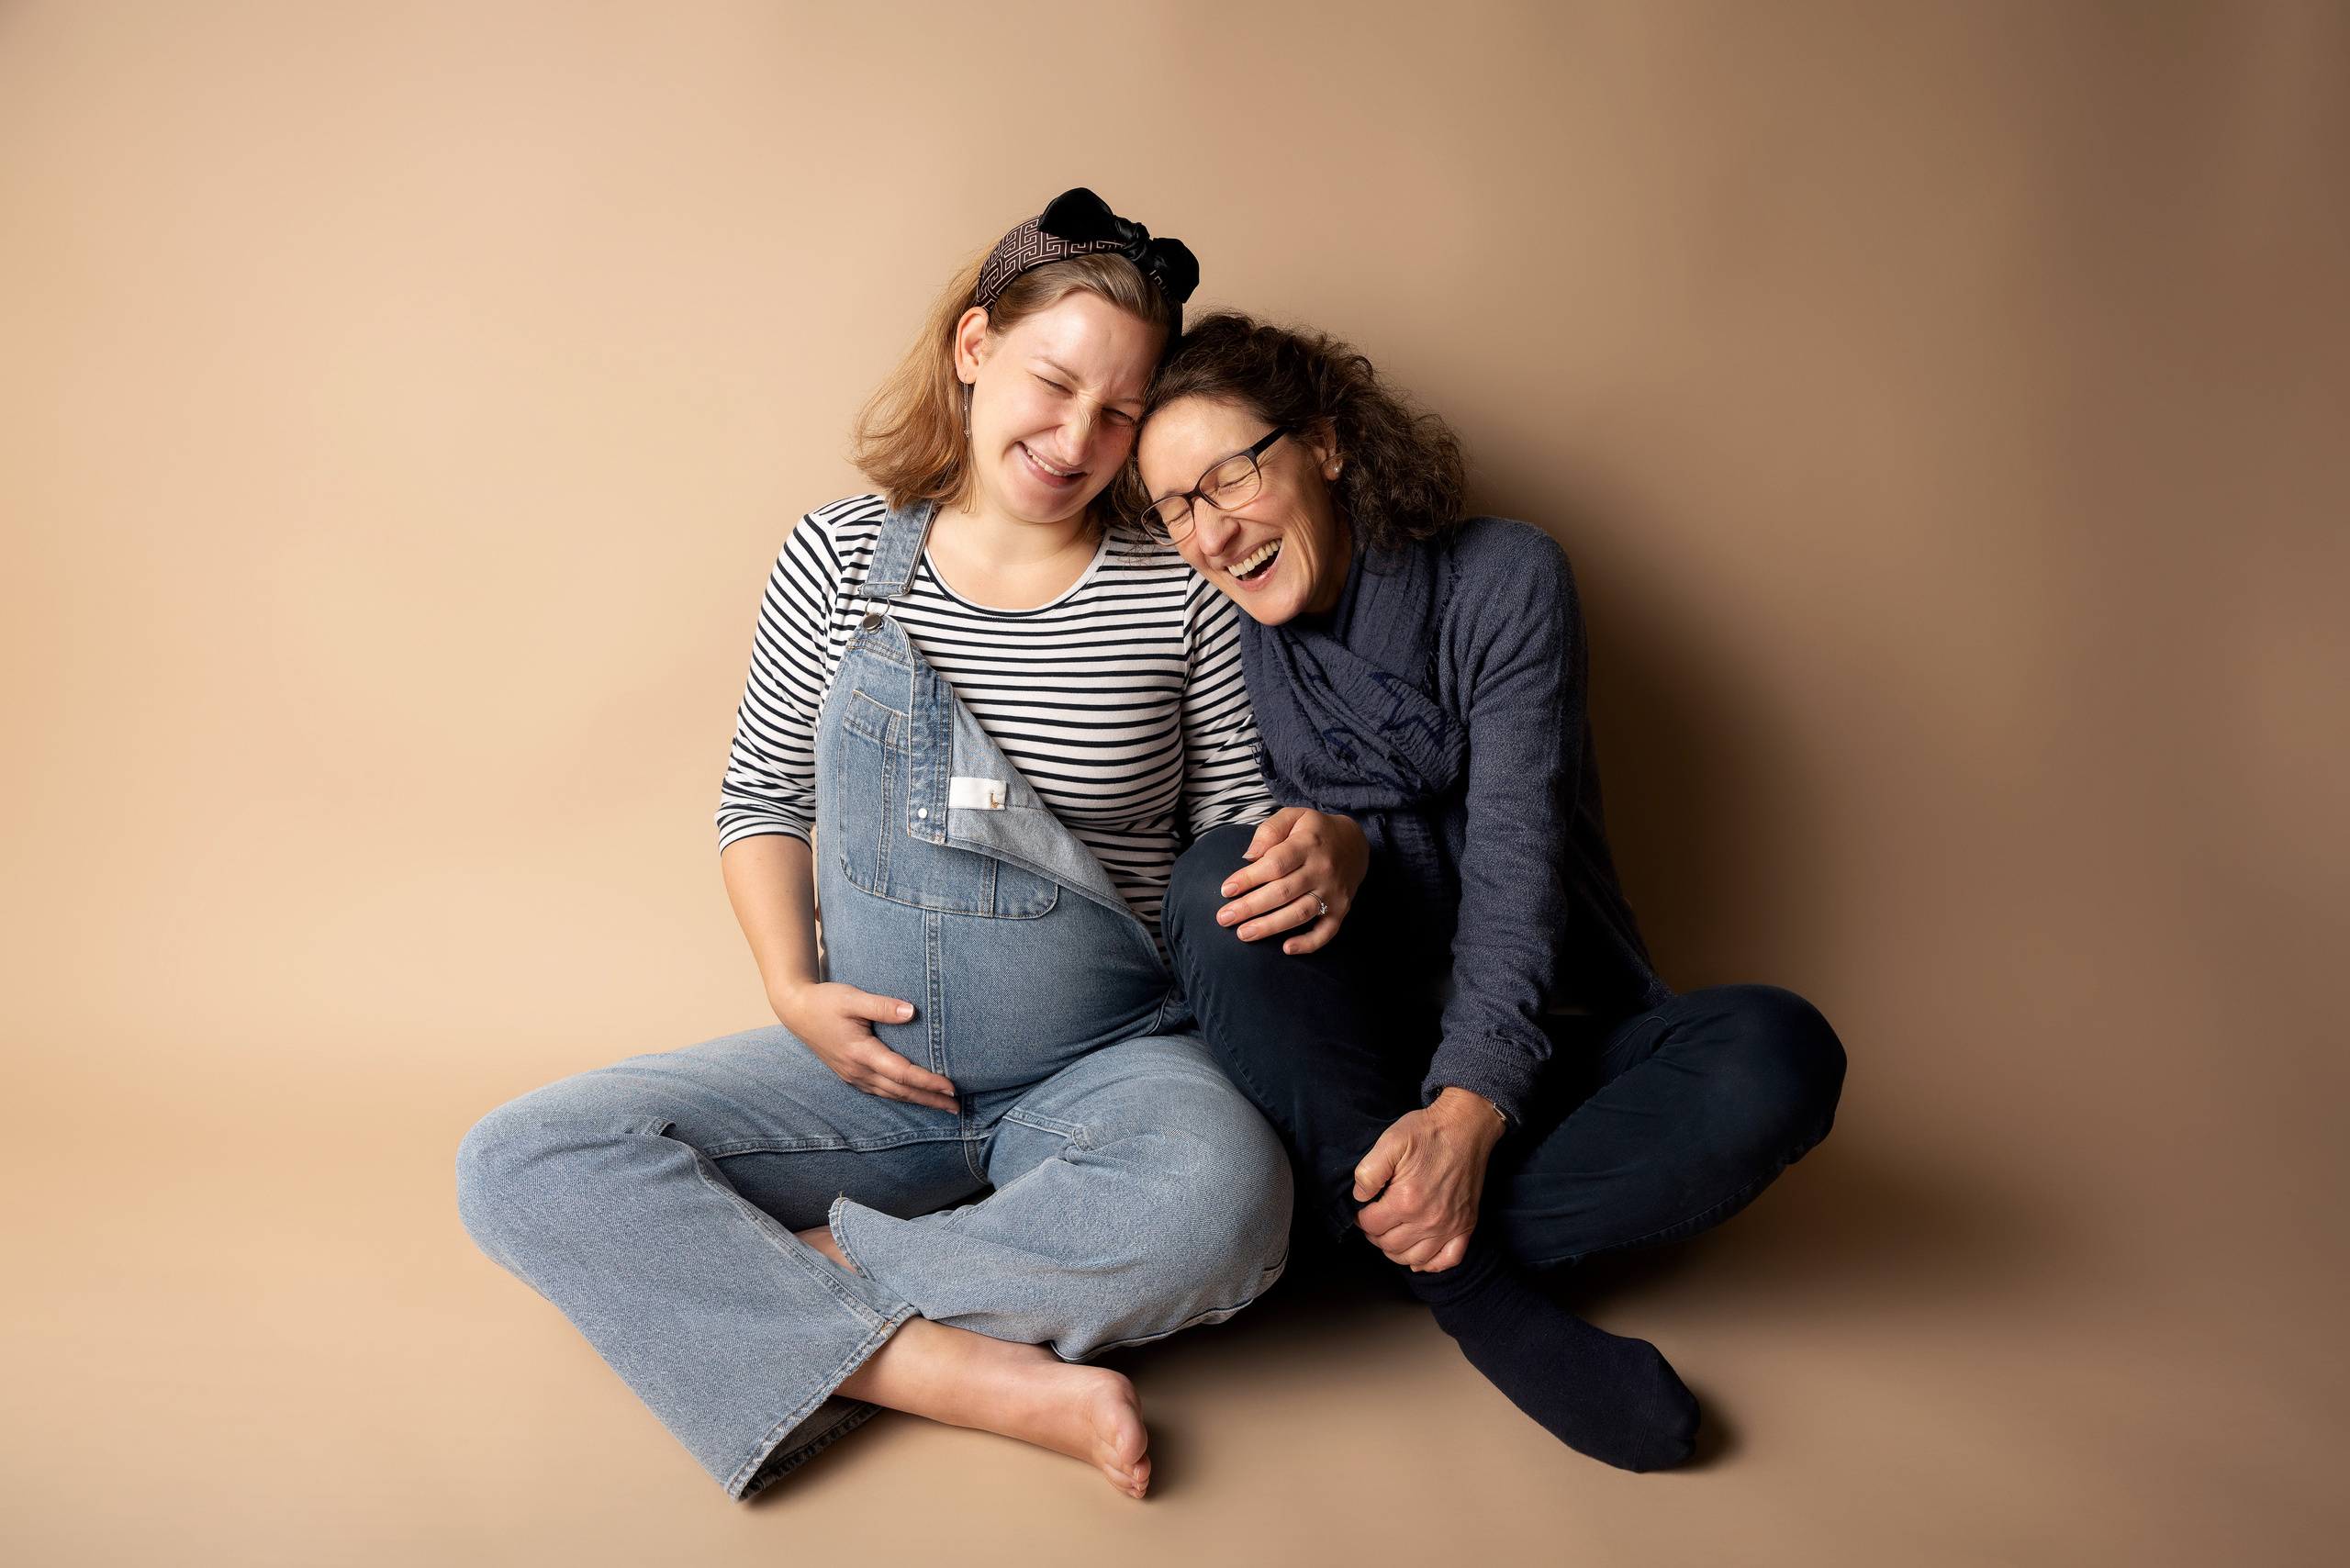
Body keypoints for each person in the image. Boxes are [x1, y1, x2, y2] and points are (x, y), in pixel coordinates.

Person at [457, 196, 1332, 1502]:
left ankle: (810, 1300)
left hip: (1115, 1071)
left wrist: (1310, 847)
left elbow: (1232, 823)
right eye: (1053, 382)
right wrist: (789, 989)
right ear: (975, 347)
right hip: (867, 1078)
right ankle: (955, 1369)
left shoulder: (1176, 587)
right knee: (520, 1163)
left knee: (1226, 1205)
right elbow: (759, 797)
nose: (1077, 437)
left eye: (1120, 412)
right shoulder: (840, 558)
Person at [1135, 312, 1849, 1473]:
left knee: (1777, 1050)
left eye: (1232, 474)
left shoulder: (1505, 576)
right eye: (1177, 507)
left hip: (1539, 1048)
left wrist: (1467, 1114)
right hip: (1362, 1063)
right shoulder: (1238, 641)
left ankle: (1353, 1239)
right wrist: (1332, 858)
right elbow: (1270, 945)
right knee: (1225, 883)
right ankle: (1465, 1281)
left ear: (1323, 442)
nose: (1213, 531)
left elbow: (1517, 869)